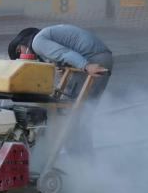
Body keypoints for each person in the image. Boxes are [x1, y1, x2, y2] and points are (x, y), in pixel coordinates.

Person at [8, 25, 113, 155]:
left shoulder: (37, 42)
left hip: (93, 59)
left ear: (20, 47)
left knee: (72, 114)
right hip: (99, 56)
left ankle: (79, 158)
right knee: (82, 114)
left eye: (20, 54)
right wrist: (62, 66)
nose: (24, 57)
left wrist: (86, 66)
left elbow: (64, 53)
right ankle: (82, 158)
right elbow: (63, 54)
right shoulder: (45, 36)